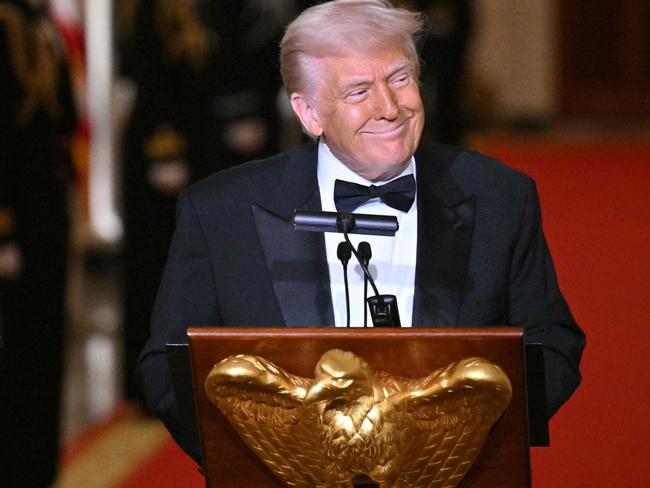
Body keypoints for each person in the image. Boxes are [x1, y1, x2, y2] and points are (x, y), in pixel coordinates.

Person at [137, 0, 585, 464]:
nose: (389, 108)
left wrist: (458, 448)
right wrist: (275, 461)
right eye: (358, 91)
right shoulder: (219, 214)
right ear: (309, 114)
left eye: (399, 79)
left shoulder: (501, 199)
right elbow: (168, 368)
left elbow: (552, 345)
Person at [0, 0, 76, 485]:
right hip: (16, 216)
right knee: (19, 351)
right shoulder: (5, 26)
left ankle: (39, 466)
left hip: (48, 208)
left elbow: (62, 115)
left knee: (47, 340)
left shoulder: (41, 23)